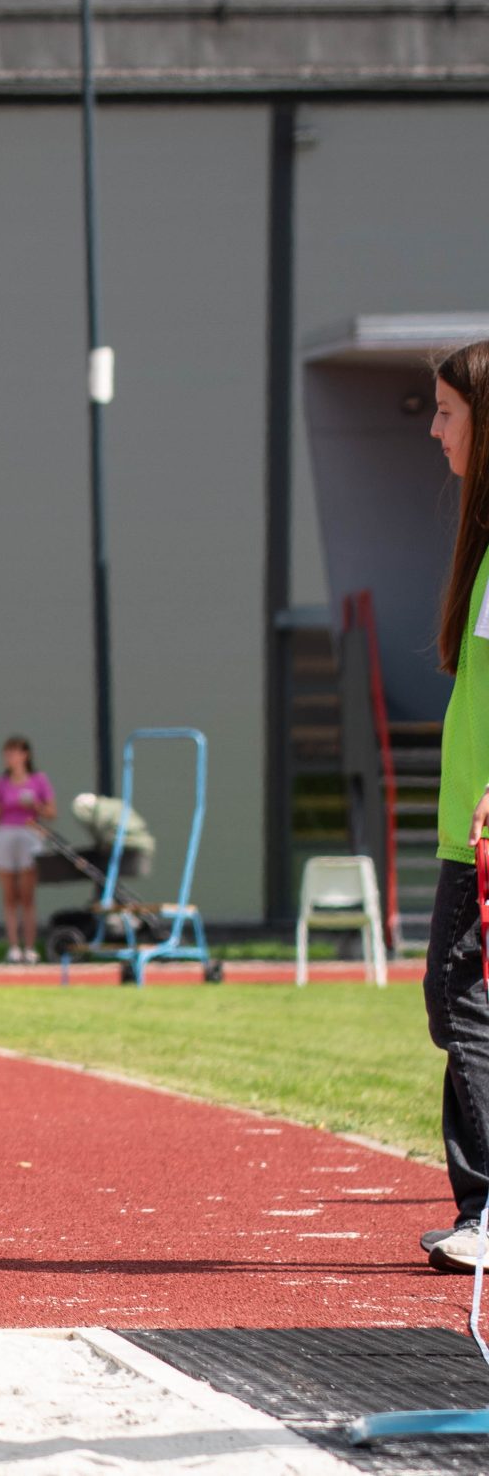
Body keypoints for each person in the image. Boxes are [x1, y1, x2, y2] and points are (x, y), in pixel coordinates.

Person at [429, 340, 489, 1273]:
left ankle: (486, 1211)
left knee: (463, 998)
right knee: (459, 1001)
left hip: (481, 831)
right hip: (465, 827)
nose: (434, 428)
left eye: (445, 412)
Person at [0, 737, 54, 964]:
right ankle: (13, 947)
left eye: (14, 753)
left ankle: (30, 947)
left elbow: (51, 813)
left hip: (30, 835)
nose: (9, 758)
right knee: (9, 896)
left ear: (25, 755)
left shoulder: (39, 780)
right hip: (5, 835)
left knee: (27, 896)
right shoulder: (1, 783)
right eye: (7, 754)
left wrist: (35, 806)